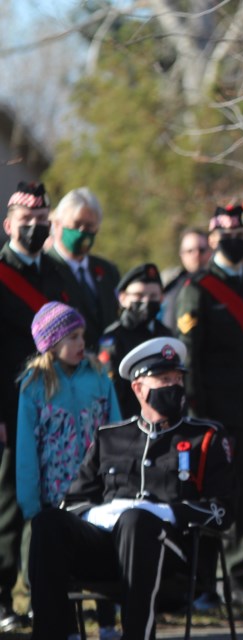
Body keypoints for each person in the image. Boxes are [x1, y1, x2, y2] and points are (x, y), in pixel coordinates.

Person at [28, 337, 235, 640]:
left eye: (178, 379)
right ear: (138, 388)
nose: (175, 386)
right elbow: (72, 503)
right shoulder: (110, 438)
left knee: (136, 521)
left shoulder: (205, 437)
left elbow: (224, 511)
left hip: (173, 558)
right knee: (48, 524)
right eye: (165, 379)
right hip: (108, 553)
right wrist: (103, 514)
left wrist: (163, 511)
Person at [176, 203, 243, 608]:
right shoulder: (197, 289)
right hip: (210, 412)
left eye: (241, 232)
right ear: (212, 239)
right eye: (226, 233)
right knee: (209, 496)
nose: (235, 240)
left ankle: (240, 574)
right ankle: (204, 581)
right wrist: (195, 411)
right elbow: (189, 357)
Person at [16, 301, 122, 638]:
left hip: (98, 493)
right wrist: (31, 501)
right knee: (57, 567)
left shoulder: (99, 378)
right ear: (51, 343)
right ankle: (68, 628)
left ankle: (107, 623)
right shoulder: (35, 385)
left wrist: (119, 480)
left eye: (82, 336)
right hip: (54, 496)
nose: (81, 344)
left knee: (104, 551)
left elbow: (116, 430)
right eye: (72, 337)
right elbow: (26, 449)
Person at [0, 182, 70, 630]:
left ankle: (42, 592)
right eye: (27, 222)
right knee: (7, 505)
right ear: (8, 225)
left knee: (48, 503)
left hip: (53, 405)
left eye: (42, 222)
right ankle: (2, 598)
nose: (35, 228)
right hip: (9, 409)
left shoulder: (57, 274)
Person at [45, 187, 121, 349]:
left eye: (89, 226)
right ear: (57, 224)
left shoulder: (107, 271)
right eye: (77, 224)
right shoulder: (44, 268)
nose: (82, 232)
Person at [100, 263, 172, 418]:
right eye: (139, 296)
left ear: (162, 298)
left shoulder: (166, 334)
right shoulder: (114, 337)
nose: (146, 301)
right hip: (128, 421)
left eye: (153, 296)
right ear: (123, 298)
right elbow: (110, 389)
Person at [161, 228, 210, 331]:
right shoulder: (170, 285)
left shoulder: (219, 285)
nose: (196, 255)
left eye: (201, 250)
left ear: (210, 252)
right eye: (190, 251)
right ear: (181, 254)